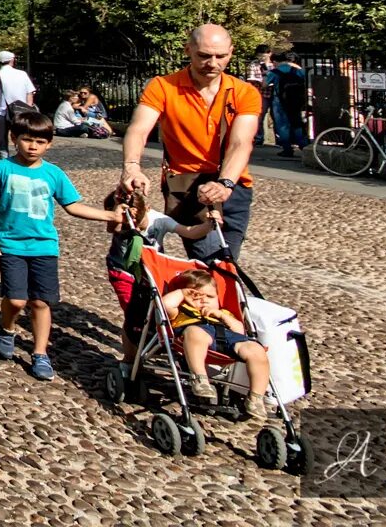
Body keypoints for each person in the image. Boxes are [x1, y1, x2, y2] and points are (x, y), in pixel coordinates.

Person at [0, 107, 119, 381]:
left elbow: (73, 205)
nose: (33, 146)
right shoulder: (1, 168)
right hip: (10, 244)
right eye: (27, 139)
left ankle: (40, 353)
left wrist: (109, 215)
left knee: (42, 302)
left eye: (40, 142)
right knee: (17, 300)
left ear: (49, 144)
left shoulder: (53, 174)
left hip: (44, 246)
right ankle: (6, 327)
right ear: (13, 138)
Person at [119, 23, 262, 264]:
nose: (213, 63)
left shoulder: (244, 92)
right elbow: (139, 129)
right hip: (188, 187)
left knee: (227, 265)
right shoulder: (163, 87)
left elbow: (241, 143)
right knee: (210, 264)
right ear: (188, 50)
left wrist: (225, 184)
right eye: (204, 56)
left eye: (221, 56)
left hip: (234, 185)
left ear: (231, 52)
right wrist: (131, 166)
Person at [102, 187, 218, 364]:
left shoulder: (159, 220)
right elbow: (113, 228)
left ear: (148, 209)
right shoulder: (121, 221)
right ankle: (130, 356)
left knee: (157, 310)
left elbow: (189, 232)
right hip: (123, 273)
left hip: (150, 273)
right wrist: (120, 214)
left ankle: (158, 340)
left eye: (138, 222)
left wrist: (208, 226)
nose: (134, 224)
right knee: (134, 313)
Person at [161, 268, 272, 419]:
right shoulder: (180, 311)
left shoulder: (224, 313)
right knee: (195, 332)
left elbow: (239, 332)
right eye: (197, 296)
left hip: (228, 339)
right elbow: (165, 304)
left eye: (210, 296)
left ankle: (255, 398)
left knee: (256, 349)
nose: (204, 299)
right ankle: (200, 379)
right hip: (196, 335)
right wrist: (182, 293)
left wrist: (221, 316)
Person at [0, 49, 37, 159]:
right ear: (12, 60)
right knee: (21, 137)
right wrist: (28, 109)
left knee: (2, 140)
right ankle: (22, 161)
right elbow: (30, 93)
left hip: (1, 112)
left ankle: (4, 163)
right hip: (20, 112)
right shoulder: (22, 74)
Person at [265, 51, 309, 158]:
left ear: (276, 61)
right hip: (296, 101)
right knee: (297, 123)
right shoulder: (299, 71)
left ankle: (287, 149)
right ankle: (304, 146)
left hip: (279, 101)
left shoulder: (275, 72)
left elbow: (265, 84)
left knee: (282, 125)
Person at [245, 44, 273, 146]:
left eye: (264, 56)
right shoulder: (254, 64)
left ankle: (281, 140)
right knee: (259, 116)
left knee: (277, 117)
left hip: (273, 92)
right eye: (260, 56)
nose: (261, 58)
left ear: (269, 54)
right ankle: (259, 137)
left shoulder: (274, 64)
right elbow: (251, 79)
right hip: (260, 92)